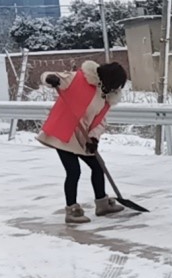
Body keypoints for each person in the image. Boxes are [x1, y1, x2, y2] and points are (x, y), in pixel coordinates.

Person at [36, 60, 129, 224]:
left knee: (98, 167)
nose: (114, 89)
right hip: (63, 133)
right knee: (73, 171)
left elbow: (100, 122)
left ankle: (102, 204)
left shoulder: (106, 97)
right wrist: (50, 78)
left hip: (82, 138)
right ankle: (72, 209)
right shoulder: (79, 79)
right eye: (114, 84)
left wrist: (93, 138)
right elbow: (48, 76)